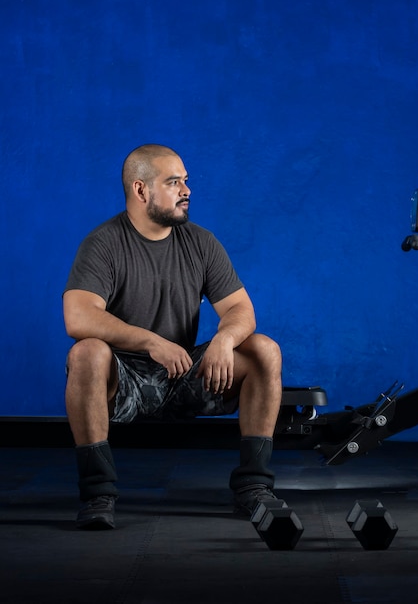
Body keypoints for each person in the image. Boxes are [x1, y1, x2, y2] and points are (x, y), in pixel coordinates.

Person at [63, 144, 284, 530]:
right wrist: (150, 341)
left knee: (263, 349)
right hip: (124, 381)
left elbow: (240, 310)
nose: (187, 190)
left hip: (185, 377)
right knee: (86, 353)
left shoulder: (200, 242)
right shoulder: (103, 243)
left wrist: (223, 341)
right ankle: (98, 494)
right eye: (173, 182)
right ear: (141, 189)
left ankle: (253, 487)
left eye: (186, 181)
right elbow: (78, 316)